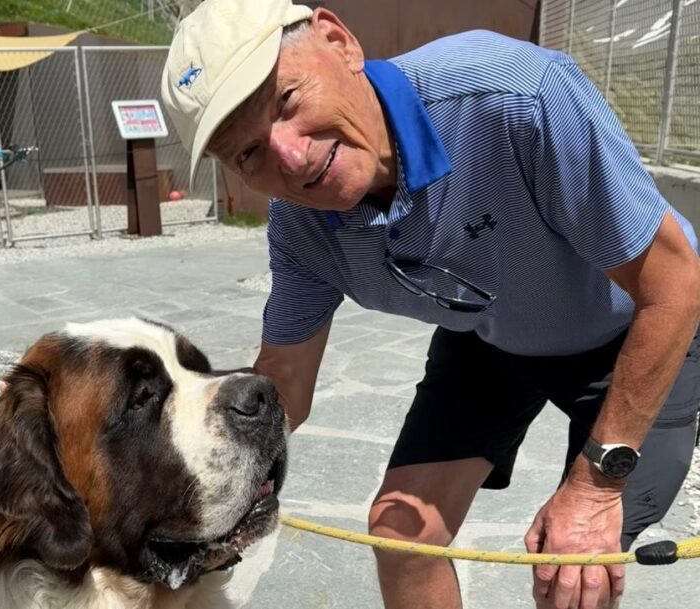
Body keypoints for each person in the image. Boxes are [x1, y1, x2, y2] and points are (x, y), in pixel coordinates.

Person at [160, 1, 700, 608]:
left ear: (338, 41)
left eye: (286, 101)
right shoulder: (301, 226)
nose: (291, 156)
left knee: (572, 566)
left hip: (634, 327)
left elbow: (675, 281)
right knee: (401, 535)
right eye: (248, 153)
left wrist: (595, 489)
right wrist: (187, 471)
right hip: (490, 335)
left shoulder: (511, 95)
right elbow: (284, 382)